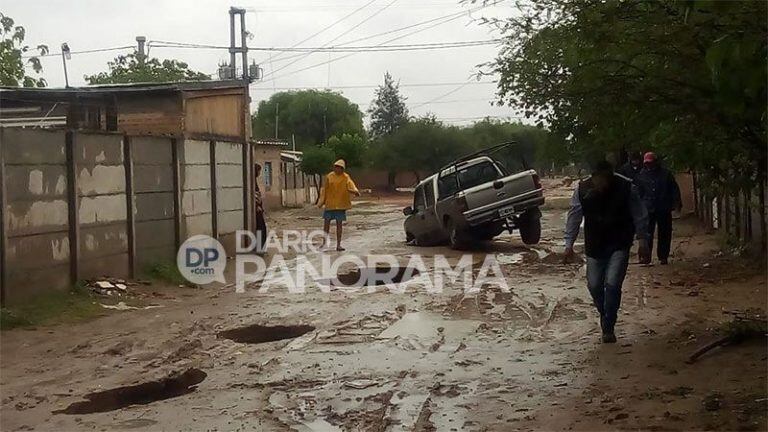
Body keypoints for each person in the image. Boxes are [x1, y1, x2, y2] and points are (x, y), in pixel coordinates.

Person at [563, 160, 650, 343]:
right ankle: (605, 312)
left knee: (612, 284)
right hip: (595, 245)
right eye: (598, 179)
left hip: (619, 243)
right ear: (592, 177)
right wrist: (568, 244)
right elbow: (574, 216)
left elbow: (639, 214)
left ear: (610, 177)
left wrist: (642, 240)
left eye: (605, 179)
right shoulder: (582, 190)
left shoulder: (626, 187)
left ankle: (608, 325)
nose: (601, 184)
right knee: (594, 285)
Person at [634, 152, 682, 265]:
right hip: (648, 209)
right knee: (646, 233)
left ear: (656, 162)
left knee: (665, 232)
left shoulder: (666, 174)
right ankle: (646, 257)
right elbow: (638, 194)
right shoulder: (641, 176)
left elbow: (674, 189)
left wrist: (677, 203)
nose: (649, 165)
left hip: (663, 207)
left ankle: (663, 256)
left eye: (651, 163)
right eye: (647, 163)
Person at [318, 159, 360, 251]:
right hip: (330, 204)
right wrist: (321, 202)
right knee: (326, 224)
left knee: (339, 225)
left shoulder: (345, 177)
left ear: (342, 169)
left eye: (339, 168)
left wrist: (355, 191)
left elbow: (351, 185)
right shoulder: (330, 176)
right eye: (336, 167)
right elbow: (325, 190)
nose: (337, 169)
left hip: (341, 204)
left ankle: (338, 245)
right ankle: (324, 243)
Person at [253, 163, 267, 254]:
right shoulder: (252, 183)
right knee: (261, 229)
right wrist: (257, 206)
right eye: (259, 171)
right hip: (257, 210)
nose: (259, 173)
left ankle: (260, 248)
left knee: (261, 229)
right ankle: (259, 248)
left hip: (259, 209)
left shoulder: (254, 181)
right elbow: (254, 195)